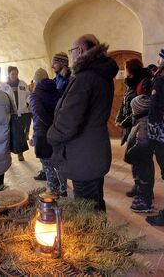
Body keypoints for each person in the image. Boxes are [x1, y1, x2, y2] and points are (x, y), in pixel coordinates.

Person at [47, 34, 118, 211]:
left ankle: (97, 239)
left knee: (86, 210)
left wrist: (51, 135)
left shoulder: (85, 78)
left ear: (80, 50)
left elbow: (68, 122)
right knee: (95, 202)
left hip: (83, 154)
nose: (71, 56)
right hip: (94, 150)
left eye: (71, 51)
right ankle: (104, 237)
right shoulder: (101, 74)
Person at [30, 68, 66, 196]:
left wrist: (49, 125)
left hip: (43, 133)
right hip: (58, 131)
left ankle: (53, 191)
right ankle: (63, 190)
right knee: (59, 163)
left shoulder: (35, 94)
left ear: (36, 80)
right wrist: (56, 125)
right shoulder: (56, 90)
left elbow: (38, 113)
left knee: (47, 163)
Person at [115, 59, 146, 197]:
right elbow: (124, 102)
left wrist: (125, 122)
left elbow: (141, 109)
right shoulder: (130, 84)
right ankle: (137, 185)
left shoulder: (142, 84)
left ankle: (144, 189)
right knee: (134, 157)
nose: (124, 70)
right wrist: (118, 118)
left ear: (130, 69)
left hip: (139, 126)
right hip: (131, 126)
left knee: (141, 160)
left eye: (125, 67)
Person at [146, 47, 164, 226]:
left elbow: (155, 111)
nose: (158, 60)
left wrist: (151, 138)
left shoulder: (161, 81)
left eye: (160, 57)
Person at [124, 95, 154, 213]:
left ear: (138, 110)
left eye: (133, 109)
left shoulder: (144, 125)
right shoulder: (139, 120)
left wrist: (131, 153)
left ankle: (144, 202)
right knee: (139, 176)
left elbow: (142, 143)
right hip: (138, 159)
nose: (132, 111)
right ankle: (141, 192)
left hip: (141, 158)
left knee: (144, 178)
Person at [0, 66, 29, 161]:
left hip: (21, 112)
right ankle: (8, 155)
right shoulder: (3, 86)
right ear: (8, 74)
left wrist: (27, 103)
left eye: (16, 73)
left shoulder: (23, 84)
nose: (15, 75)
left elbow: (28, 95)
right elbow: (1, 99)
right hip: (9, 114)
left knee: (21, 134)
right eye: (12, 74)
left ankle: (20, 153)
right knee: (9, 135)